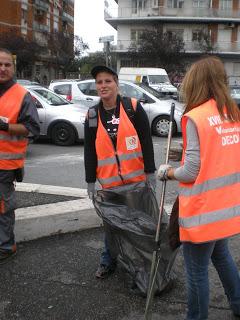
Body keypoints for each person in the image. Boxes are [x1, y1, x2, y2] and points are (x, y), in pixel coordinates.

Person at [157, 56, 240, 319]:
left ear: (196, 82)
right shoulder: (231, 114)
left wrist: (166, 172)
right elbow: (219, 154)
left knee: (196, 272)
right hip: (226, 209)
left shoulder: (195, 117)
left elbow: (191, 171)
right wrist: (184, 153)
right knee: (222, 257)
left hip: (202, 212)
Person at [84, 65, 156, 279]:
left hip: (136, 182)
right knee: (112, 225)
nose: (103, 85)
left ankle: (144, 262)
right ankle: (108, 261)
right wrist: (90, 181)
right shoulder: (92, 114)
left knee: (138, 223)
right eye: (99, 82)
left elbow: (146, 141)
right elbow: (89, 150)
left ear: (116, 83)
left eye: (108, 81)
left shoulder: (133, 107)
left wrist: (150, 172)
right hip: (110, 184)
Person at [0, 48, 40, 264]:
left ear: (13, 68)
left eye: (7, 64)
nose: (3, 68)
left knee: (3, 206)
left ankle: (7, 245)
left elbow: (32, 128)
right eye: (0, 64)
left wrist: (6, 125)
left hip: (5, 164)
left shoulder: (21, 95)